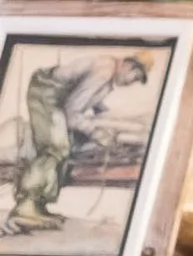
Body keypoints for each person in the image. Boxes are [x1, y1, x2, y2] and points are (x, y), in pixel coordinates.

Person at [6, 54, 149, 234]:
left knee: (64, 149)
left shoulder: (107, 74)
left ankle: (38, 207)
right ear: (129, 66)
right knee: (55, 147)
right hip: (47, 93)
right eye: (135, 77)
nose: (131, 82)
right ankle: (25, 207)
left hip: (57, 98)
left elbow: (92, 100)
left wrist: (107, 118)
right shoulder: (104, 70)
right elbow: (72, 111)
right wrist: (96, 133)